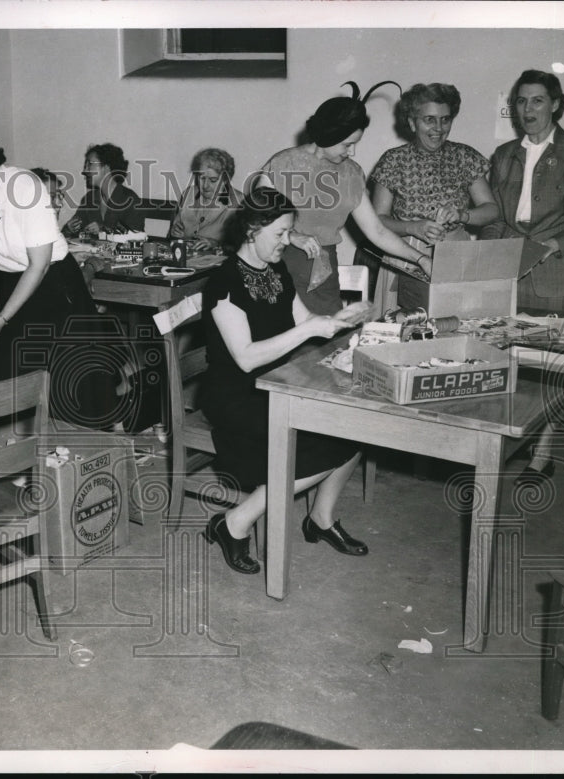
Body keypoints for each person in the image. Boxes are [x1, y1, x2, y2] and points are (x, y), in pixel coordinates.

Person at [201, 187, 366, 574]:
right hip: (236, 397)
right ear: (251, 231)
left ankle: (320, 518)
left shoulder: (275, 270)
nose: (286, 242)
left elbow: (306, 321)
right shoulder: (223, 283)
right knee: (319, 448)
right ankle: (234, 523)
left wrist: (343, 319)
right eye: (279, 234)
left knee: (357, 427)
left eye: (289, 232)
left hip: (276, 382)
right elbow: (245, 358)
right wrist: (310, 331)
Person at [0, 125, 116, 429]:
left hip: (57, 286)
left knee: (73, 388)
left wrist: (2, 318)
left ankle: (81, 462)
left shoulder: (24, 186)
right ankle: (25, 459)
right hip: (13, 285)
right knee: (16, 383)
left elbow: (39, 265)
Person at [256, 81, 432, 315]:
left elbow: (377, 232)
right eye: (347, 144)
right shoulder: (282, 164)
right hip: (278, 267)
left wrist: (420, 259)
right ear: (328, 135)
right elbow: (254, 222)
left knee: (328, 342)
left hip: (324, 273)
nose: (352, 152)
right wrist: (291, 235)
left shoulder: (351, 174)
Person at [481, 70, 564, 486]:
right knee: (508, 357)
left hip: (556, 266)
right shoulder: (504, 154)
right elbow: (491, 215)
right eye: (521, 102)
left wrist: (557, 244)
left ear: (555, 103)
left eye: (537, 101)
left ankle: (542, 455)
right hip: (510, 268)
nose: (528, 110)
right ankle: (506, 441)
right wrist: (495, 248)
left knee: (553, 366)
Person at [367, 83, 498, 298]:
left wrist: (463, 215)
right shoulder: (393, 160)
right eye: (429, 119)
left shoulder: (465, 156)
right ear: (412, 122)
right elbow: (377, 221)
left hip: (455, 253)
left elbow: (492, 210)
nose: (438, 128)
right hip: (404, 254)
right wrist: (413, 227)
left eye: (445, 119)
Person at [168, 147, 243, 252]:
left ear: (226, 180)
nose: (205, 186)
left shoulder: (239, 202)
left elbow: (242, 246)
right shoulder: (188, 194)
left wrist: (216, 244)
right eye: (202, 178)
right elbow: (174, 234)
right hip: (189, 260)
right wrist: (176, 233)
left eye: (213, 180)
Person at [64, 143, 144, 235]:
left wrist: (104, 230)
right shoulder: (89, 199)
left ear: (106, 167)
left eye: (90, 164)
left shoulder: (131, 200)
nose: (85, 171)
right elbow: (72, 234)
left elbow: (136, 239)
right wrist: (68, 229)